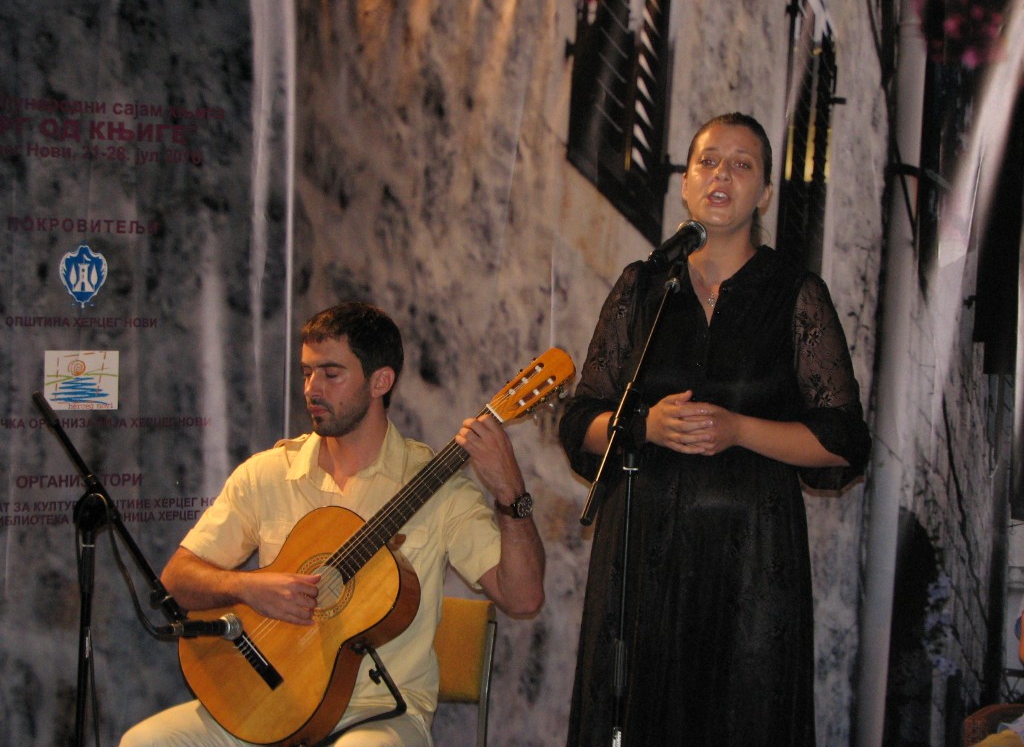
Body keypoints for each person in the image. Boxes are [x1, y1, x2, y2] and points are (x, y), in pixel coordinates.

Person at [558, 112, 871, 746]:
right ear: (685, 183)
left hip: (751, 563)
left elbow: (843, 441)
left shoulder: (794, 293)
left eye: (741, 164)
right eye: (707, 160)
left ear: (765, 193)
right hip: (640, 556)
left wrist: (739, 429)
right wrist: (644, 426)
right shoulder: (644, 285)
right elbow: (579, 420)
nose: (721, 174)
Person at [121, 302, 545, 747]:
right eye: (307, 372)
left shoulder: (440, 489)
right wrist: (247, 588)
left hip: (379, 713)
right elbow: (177, 582)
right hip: (267, 701)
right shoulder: (267, 474)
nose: (311, 388)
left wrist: (510, 493)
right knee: (144, 742)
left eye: (330, 374)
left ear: (381, 381)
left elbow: (523, 598)